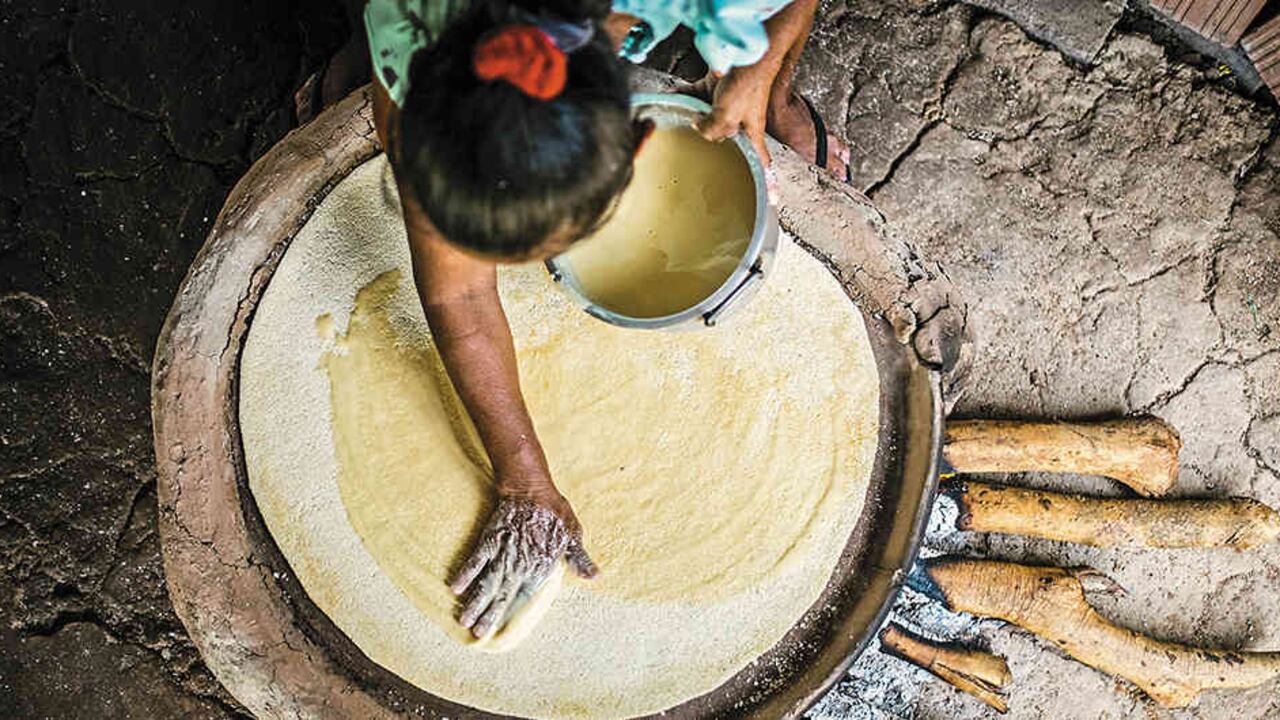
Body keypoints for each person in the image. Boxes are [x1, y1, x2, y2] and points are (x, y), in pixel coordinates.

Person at [302, 0, 855, 641]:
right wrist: (523, 480)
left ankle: (781, 99)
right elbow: (459, 298)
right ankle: (353, 45)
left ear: (638, 141)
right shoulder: (417, 66)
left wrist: (759, 71)